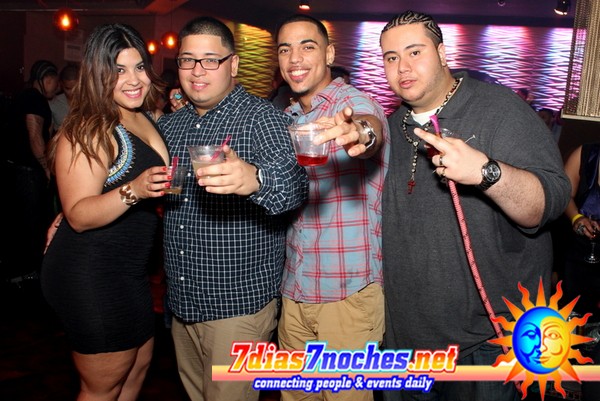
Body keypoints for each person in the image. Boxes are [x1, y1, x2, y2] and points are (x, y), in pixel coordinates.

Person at [379, 10, 570, 401]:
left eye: (415, 52)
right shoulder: (393, 127)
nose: (402, 67)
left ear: (442, 53)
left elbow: (547, 202)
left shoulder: (499, 110)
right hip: (405, 340)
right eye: (391, 57)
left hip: (487, 342)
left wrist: (487, 173)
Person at [157, 16, 308, 401]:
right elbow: (168, 198)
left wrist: (254, 179)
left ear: (234, 64)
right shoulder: (171, 127)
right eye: (187, 60)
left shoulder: (260, 117)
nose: (197, 71)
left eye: (211, 60)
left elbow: (295, 187)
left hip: (236, 306)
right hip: (183, 300)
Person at [41, 23, 170, 401]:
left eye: (139, 67)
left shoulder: (143, 116)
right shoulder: (88, 127)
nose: (134, 80)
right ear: (98, 74)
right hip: (91, 272)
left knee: (137, 368)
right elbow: (79, 215)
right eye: (118, 70)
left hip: (129, 269)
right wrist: (136, 190)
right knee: (102, 387)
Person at [275, 14, 390, 401]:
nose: (295, 58)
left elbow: (369, 127)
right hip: (295, 290)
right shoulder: (290, 117)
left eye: (307, 46)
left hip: (347, 296)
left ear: (329, 54)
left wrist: (359, 132)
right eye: (285, 49)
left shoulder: (352, 104)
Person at [3, 59, 59, 281]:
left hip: (15, 169)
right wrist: (46, 168)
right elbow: (35, 135)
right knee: (31, 222)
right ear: (46, 79)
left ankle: (20, 271)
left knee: (19, 221)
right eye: (55, 81)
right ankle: (28, 272)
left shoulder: (24, 96)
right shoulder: (35, 99)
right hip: (27, 172)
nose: (57, 87)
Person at [563, 144, 600, 322]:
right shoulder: (585, 154)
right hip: (579, 253)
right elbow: (563, 194)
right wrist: (576, 218)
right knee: (575, 312)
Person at [50, 63, 79, 133]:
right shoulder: (53, 103)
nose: (72, 92)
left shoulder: (89, 102)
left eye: (76, 88)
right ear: (61, 85)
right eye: (68, 88)